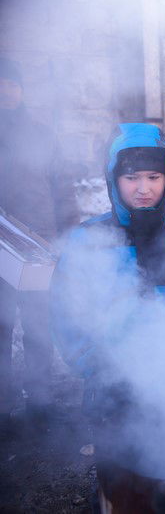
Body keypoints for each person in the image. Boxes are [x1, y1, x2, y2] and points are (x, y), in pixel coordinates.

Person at [50, 123, 165, 431]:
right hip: (112, 395)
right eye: (131, 178)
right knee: (124, 475)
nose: (143, 188)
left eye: (154, 177)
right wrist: (102, 368)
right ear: (113, 180)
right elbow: (67, 316)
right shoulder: (88, 240)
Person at [0, 58, 79, 427]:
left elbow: (62, 189)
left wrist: (66, 235)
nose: (7, 90)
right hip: (1, 248)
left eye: (12, 83)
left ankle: (41, 400)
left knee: (37, 323)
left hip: (38, 244)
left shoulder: (42, 134)